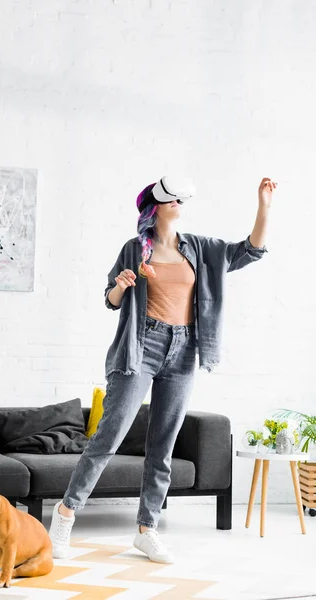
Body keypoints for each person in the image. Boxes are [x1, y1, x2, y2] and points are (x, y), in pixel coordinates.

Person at [49, 175, 277, 563]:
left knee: (163, 444)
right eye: (172, 200)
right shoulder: (134, 249)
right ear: (155, 208)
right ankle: (65, 514)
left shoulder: (201, 249)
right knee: (110, 435)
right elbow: (111, 298)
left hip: (185, 349)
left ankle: (147, 529)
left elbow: (250, 251)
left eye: (180, 201)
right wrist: (123, 283)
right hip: (141, 347)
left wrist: (264, 207)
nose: (179, 205)